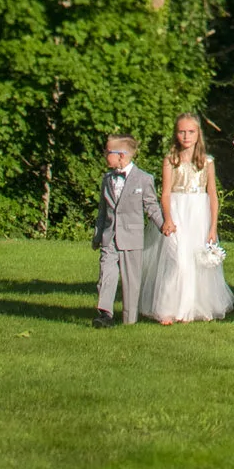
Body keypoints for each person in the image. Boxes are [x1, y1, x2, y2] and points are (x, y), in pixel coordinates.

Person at [145, 113, 233, 324]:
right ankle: (168, 307)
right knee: (177, 260)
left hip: (199, 213)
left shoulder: (207, 161)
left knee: (197, 260)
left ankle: (193, 308)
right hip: (178, 211)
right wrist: (167, 218)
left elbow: (212, 194)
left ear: (198, 134)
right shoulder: (171, 160)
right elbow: (165, 193)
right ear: (176, 134)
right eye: (182, 131)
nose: (186, 136)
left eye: (191, 132)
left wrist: (213, 227)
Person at [92, 135, 157, 327]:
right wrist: (97, 236)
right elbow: (102, 210)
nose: (105, 155)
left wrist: (164, 224)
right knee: (106, 273)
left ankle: (130, 318)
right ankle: (104, 313)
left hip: (132, 236)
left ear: (121, 155)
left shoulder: (144, 179)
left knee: (131, 279)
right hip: (109, 235)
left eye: (107, 152)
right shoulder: (107, 179)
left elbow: (151, 206)